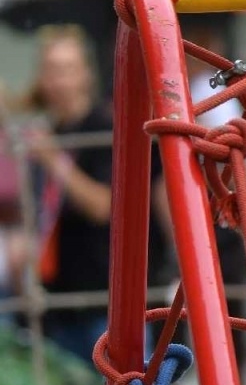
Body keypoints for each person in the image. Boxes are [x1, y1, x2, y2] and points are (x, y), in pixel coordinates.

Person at [24, 25, 169, 366]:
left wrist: (54, 160)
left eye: (67, 69)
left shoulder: (105, 126)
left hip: (109, 301)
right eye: (51, 70)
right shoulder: (53, 130)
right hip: (62, 298)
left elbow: (103, 206)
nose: (59, 81)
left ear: (86, 74)